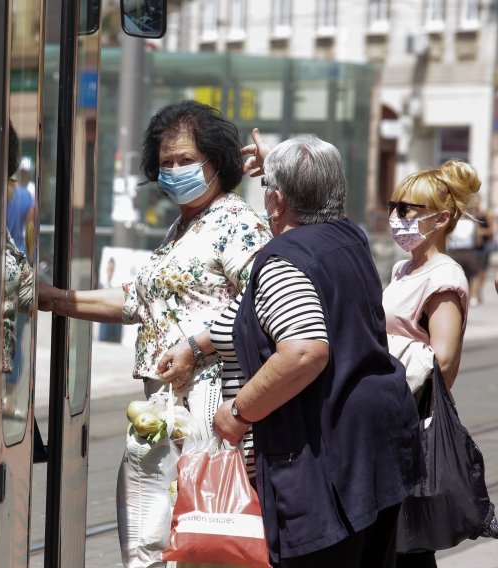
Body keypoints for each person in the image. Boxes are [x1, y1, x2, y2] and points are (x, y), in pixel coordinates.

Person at [38, 100, 271, 567]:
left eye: (186, 160)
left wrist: (195, 347)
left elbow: (260, 303)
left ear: (217, 162)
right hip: (160, 406)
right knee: (148, 542)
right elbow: (138, 301)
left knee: (195, 538)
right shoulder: (183, 227)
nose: (174, 170)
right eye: (166, 163)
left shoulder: (237, 222)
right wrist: (53, 298)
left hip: (206, 400)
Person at [211, 132, 423, 568]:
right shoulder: (349, 237)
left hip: (325, 467)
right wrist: (287, 167)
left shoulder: (282, 259)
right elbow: (312, 200)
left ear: (276, 202)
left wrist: (238, 413)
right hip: (376, 451)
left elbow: (305, 351)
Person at [381, 160, 498, 567]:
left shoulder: (445, 276)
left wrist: (383, 354)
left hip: (412, 423)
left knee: (408, 544)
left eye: (407, 210)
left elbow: (443, 361)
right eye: (393, 206)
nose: (396, 217)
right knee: (394, 540)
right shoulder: (404, 268)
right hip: (391, 415)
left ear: (442, 218)